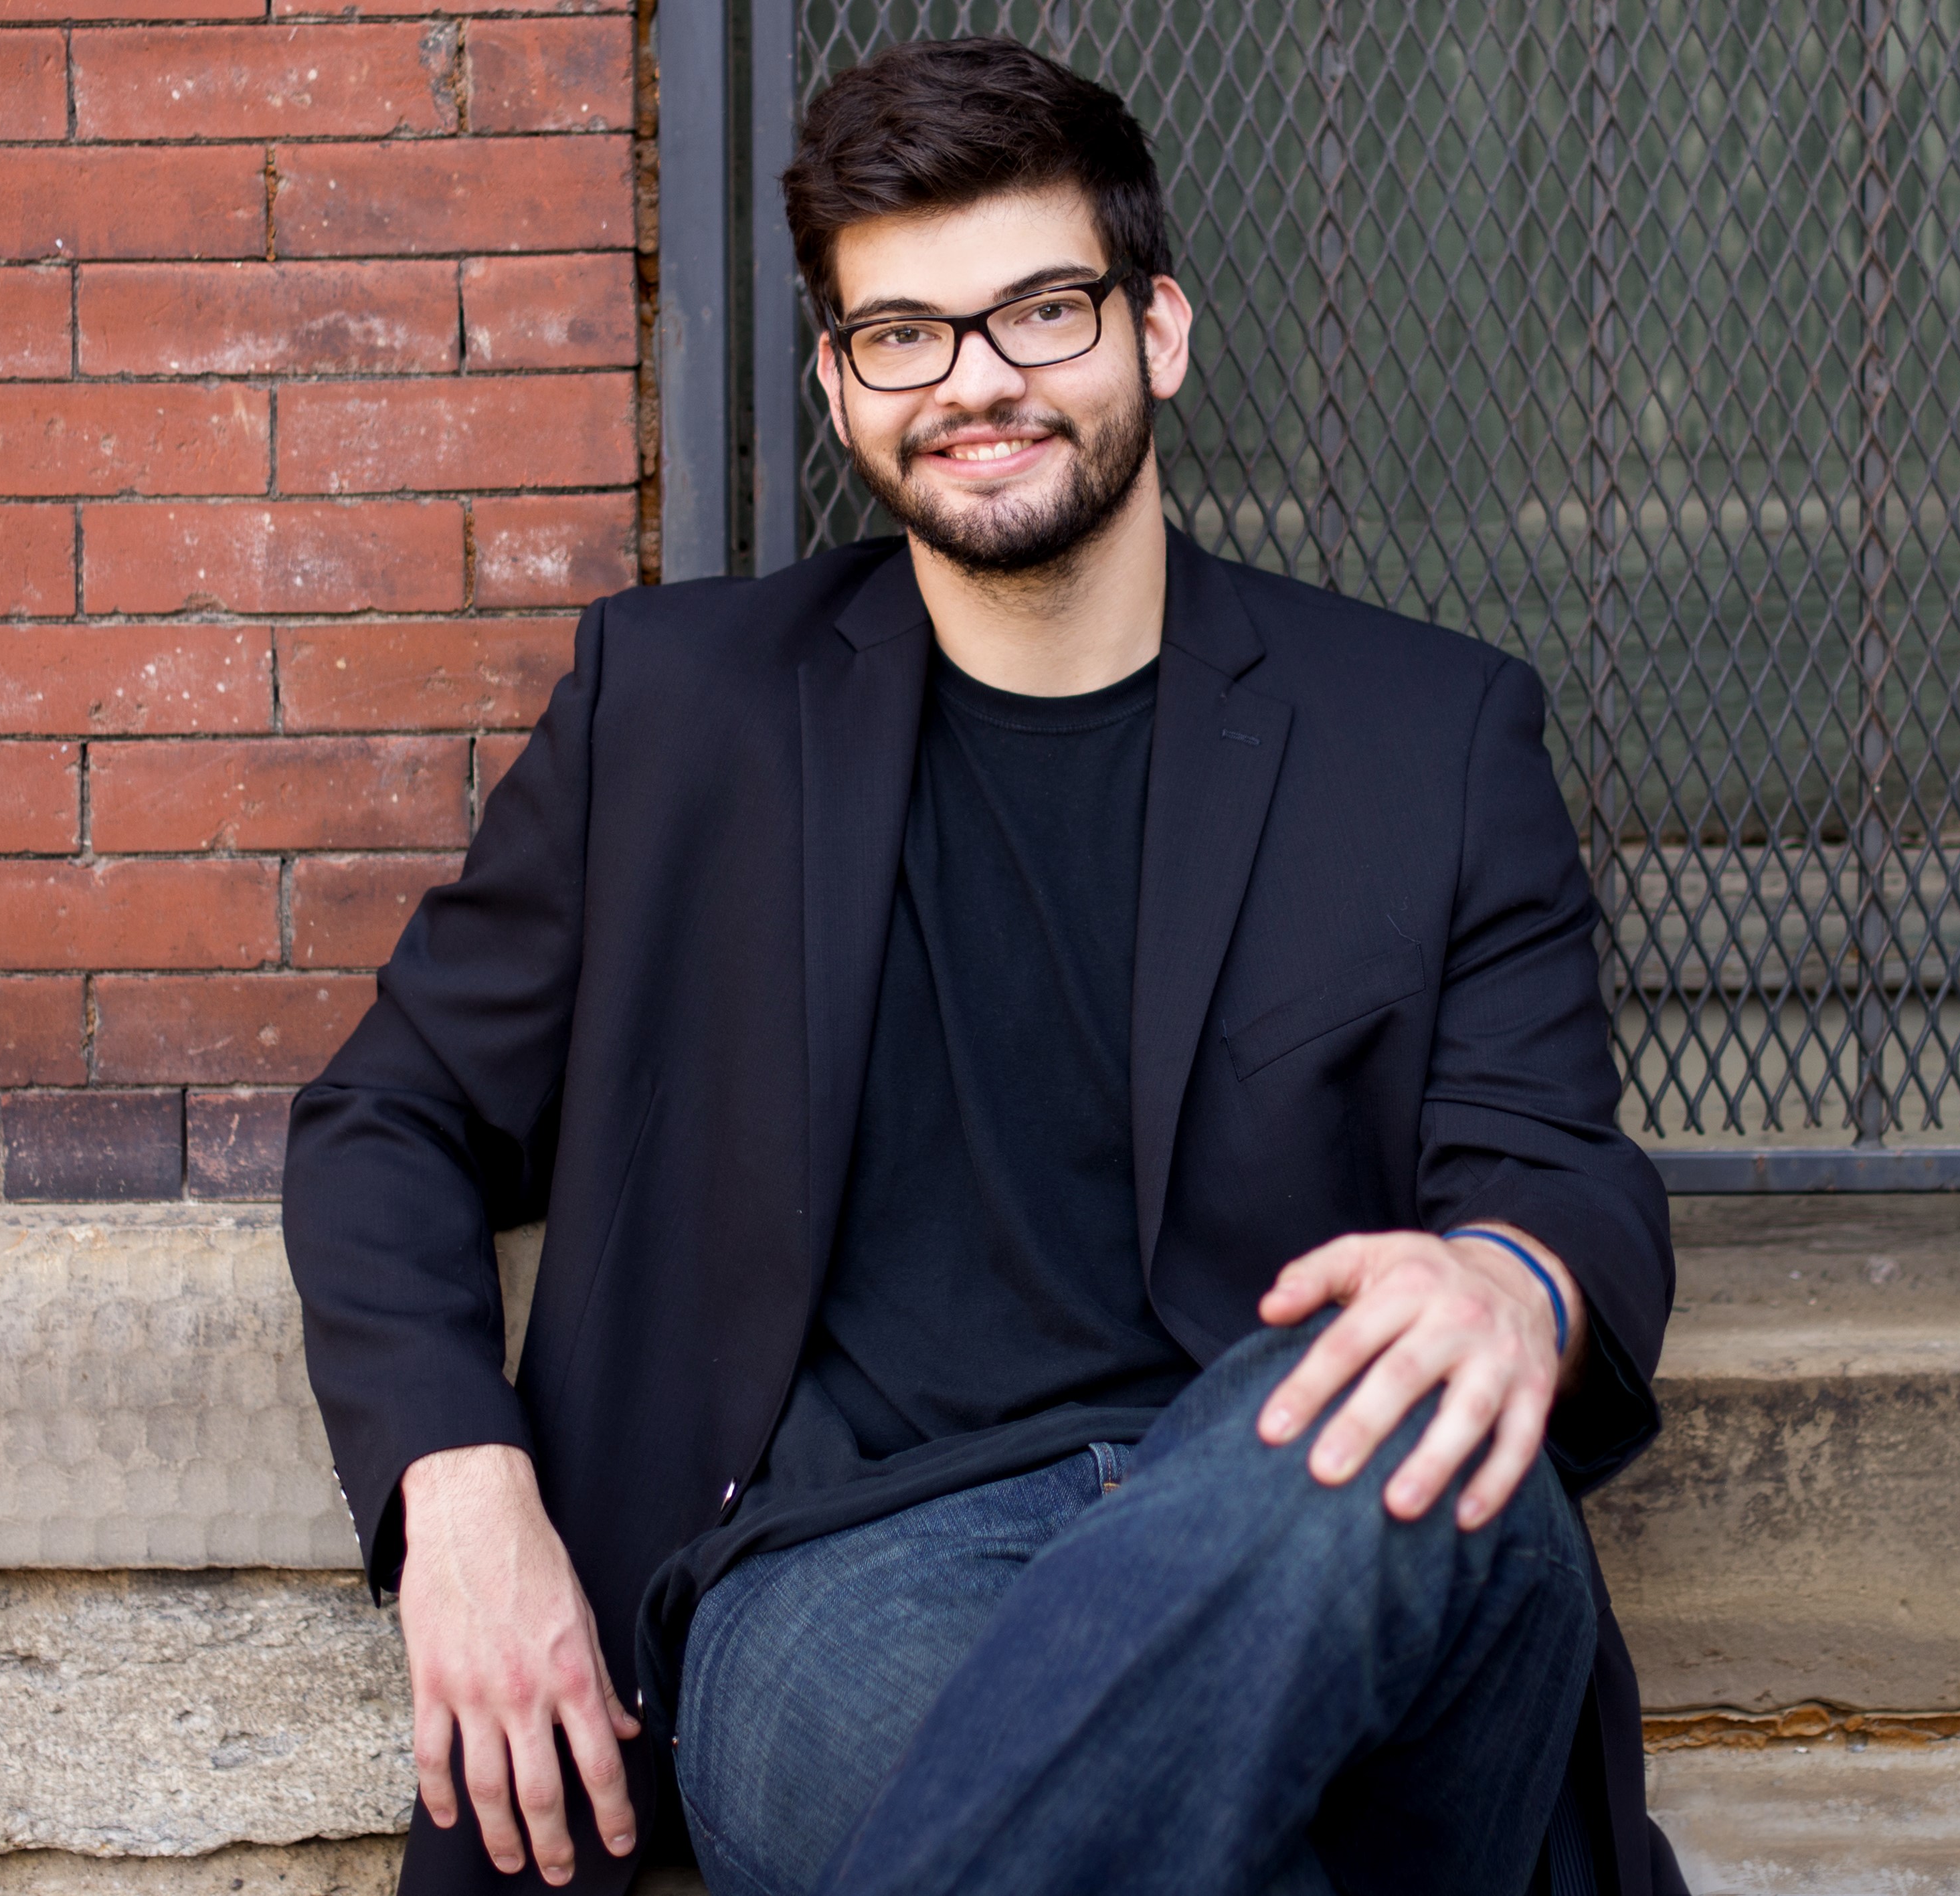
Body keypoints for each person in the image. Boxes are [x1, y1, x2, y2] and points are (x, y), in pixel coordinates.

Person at [284, 35, 1679, 1896]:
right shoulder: (676, 716)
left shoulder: (1424, 736)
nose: (979, 385)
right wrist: (457, 1485)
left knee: (1419, 1423)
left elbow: (1558, 1166)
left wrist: (1512, 1281)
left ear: (1157, 329)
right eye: (907, 335)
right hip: (851, 1579)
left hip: (1302, 1512)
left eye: (1040, 312)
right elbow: (389, 1116)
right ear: (841, 382)